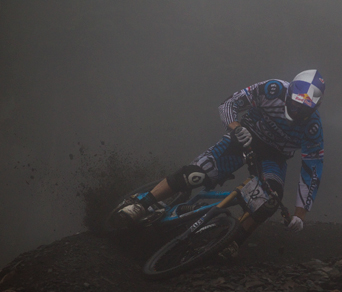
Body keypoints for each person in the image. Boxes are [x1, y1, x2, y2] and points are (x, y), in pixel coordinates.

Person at [119, 69, 325, 246]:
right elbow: (228, 104)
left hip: (274, 156)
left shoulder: (313, 128)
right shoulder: (273, 89)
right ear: (288, 93)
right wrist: (235, 128)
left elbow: (311, 171)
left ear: (315, 107)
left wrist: (300, 214)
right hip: (245, 138)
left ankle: (233, 243)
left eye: (304, 109)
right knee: (196, 175)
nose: (297, 113)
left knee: (269, 202)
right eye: (295, 105)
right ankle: (142, 204)